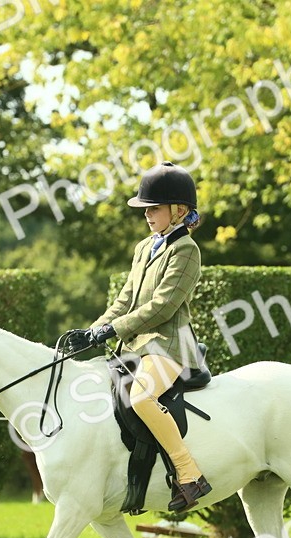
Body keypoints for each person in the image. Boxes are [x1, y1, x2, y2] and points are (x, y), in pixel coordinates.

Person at [72, 161, 212, 512]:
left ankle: (189, 473)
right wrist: (95, 329)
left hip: (169, 347)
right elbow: (125, 299)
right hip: (133, 347)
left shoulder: (186, 251)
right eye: (146, 209)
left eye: (155, 208)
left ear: (178, 211)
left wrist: (113, 329)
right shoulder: (144, 247)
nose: (148, 215)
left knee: (142, 398)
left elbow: (163, 307)